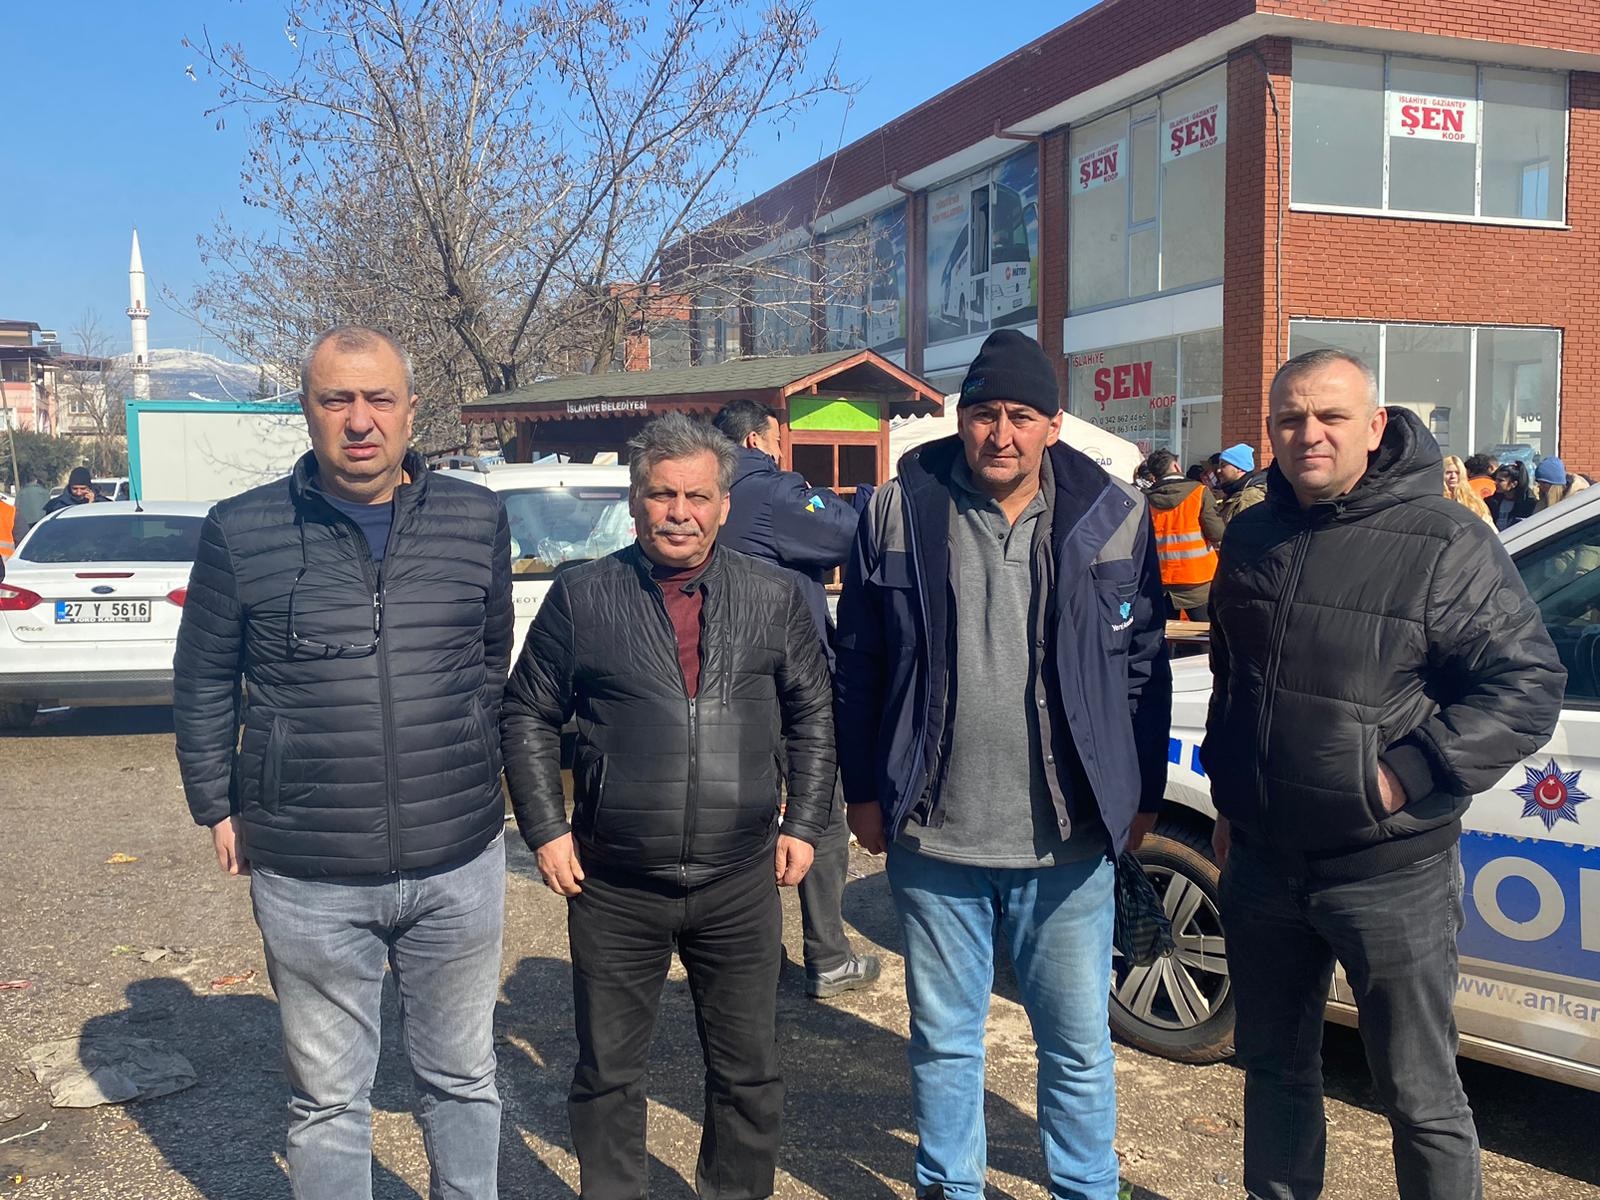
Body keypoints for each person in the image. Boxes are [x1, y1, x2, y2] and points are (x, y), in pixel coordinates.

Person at [1204, 348, 1564, 1200]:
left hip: (1388, 872)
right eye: (1291, 418)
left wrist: (1408, 771)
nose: (1310, 433)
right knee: (1274, 1070)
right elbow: (1234, 673)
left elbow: (1527, 683)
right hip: (1262, 864)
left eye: (1331, 416)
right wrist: (1230, 795)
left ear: (1374, 427)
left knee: (1419, 1094)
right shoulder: (1252, 533)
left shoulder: (1443, 539)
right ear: (1270, 431)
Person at [172, 325, 513, 1200]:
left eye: (378, 398)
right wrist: (216, 801)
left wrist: (473, 760)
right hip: (309, 869)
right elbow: (204, 678)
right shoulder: (242, 530)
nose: (360, 420)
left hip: (457, 857)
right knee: (328, 1100)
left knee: (464, 1076)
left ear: (411, 410)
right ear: (307, 410)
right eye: (337, 399)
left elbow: (488, 660)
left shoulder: (476, 519)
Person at [835, 329, 1172, 1200]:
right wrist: (863, 791)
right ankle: (951, 1187)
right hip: (935, 832)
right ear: (961, 419)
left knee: (1077, 1044)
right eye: (985, 413)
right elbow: (860, 660)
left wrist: (1140, 790)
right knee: (945, 1040)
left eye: (1022, 416)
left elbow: (1142, 666)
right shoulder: (897, 510)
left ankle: (1086, 1187)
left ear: (1054, 425)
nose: (1001, 433)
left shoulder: (1113, 514)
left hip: (1068, 837)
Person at [501, 411, 836, 1200]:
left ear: (724, 504)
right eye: (661, 495)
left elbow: (813, 713)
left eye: (696, 496)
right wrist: (545, 827)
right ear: (635, 499)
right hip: (616, 884)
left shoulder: (770, 597)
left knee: (748, 1072)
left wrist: (804, 820)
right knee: (609, 1075)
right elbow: (526, 712)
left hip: (739, 879)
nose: (679, 512)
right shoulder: (584, 596)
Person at [710, 397, 881, 999]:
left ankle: (751, 957)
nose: (782, 450)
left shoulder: (706, 494)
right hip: (791, 683)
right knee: (820, 812)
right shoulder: (775, 491)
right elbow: (851, 533)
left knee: (742, 816)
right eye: (778, 440)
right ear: (755, 441)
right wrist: (865, 497)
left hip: (720, 683)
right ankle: (829, 957)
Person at [1142, 447, 1224, 621]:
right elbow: (1217, 533)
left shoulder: (1144, 499)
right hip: (1196, 578)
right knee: (1203, 631)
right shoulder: (1199, 492)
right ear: (1176, 466)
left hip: (1159, 578)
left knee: (1164, 631)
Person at [1213, 443, 1268, 524]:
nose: (1218, 470)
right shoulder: (1233, 492)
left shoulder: (1251, 497)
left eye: (1223, 466)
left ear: (1239, 468)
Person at [1486, 460, 1537, 530]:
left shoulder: (1527, 504)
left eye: (1500, 480)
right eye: (1496, 479)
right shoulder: (1492, 502)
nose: (1496, 483)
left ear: (1514, 484)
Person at [1442, 455, 1492, 525]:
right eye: (1448, 472)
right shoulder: (1436, 499)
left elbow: (1488, 525)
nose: (1453, 476)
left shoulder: (1473, 501)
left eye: (1457, 473)